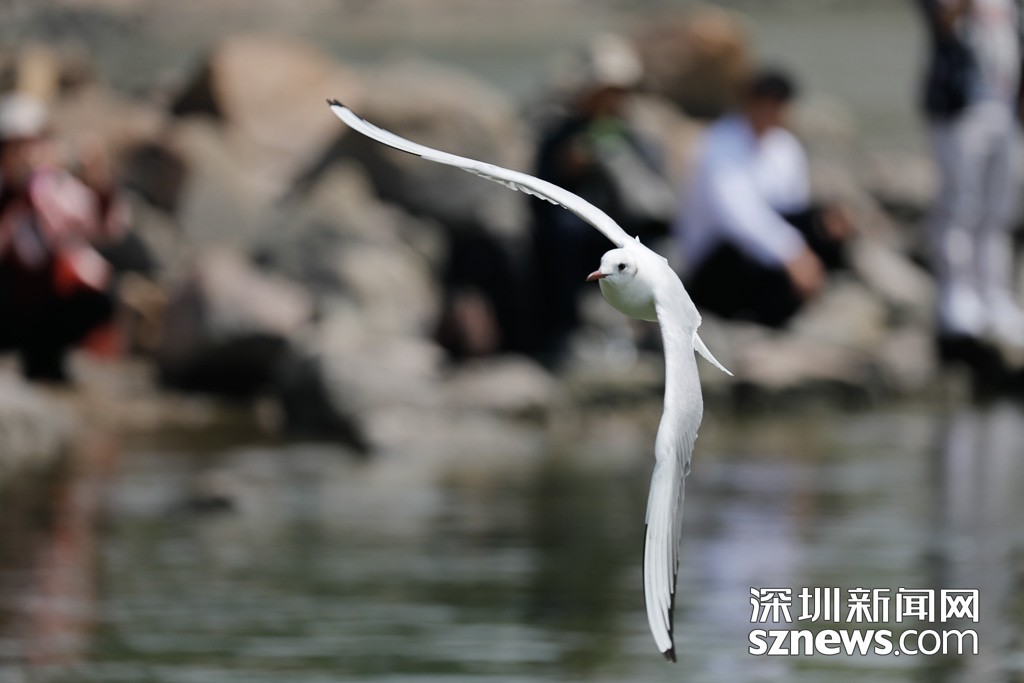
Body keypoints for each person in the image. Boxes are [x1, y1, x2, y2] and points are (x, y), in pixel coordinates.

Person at [529, 34, 676, 362]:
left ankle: (654, 326)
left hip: (625, 231)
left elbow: (656, 197)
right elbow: (538, 196)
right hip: (575, 238)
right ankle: (566, 330)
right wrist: (569, 167)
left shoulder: (635, 135)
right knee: (564, 232)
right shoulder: (561, 135)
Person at [674, 68, 850, 328]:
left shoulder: (785, 146)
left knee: (828, 223)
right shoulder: (718, 143)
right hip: (714, 259)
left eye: (779, 103)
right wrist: (793, 254)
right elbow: (735, 217)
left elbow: (792, 207)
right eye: (766, 102)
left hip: (763, 249)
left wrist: (823, 223)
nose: (772, 110)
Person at [917, 0, 1024, 367]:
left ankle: (996, 296)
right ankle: (956, 297)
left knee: (999, 211)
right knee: (960, 206)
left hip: (1005, 110)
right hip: (959, 109)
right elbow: (942, 20)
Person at [0, 93, 128, 382]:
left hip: (43, 304)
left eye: (31, 144)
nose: (25, 154)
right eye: (17, 146)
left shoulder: (54, 189)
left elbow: (107, 227)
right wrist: (13, 194)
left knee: (97, 293)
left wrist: (98, 183)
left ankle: (46, 360)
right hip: (7, 300)